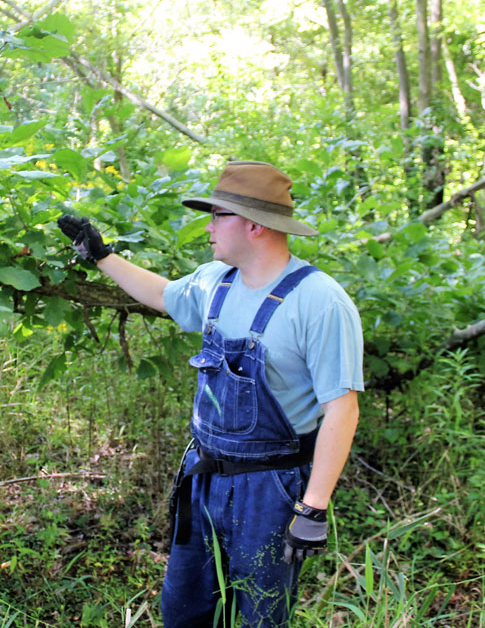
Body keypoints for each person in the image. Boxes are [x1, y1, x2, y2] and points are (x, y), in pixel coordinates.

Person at [57, 160, 363, 627]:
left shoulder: (319, 302)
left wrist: (314, 506)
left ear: (255, 225)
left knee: (260, 616)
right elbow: (162, 295)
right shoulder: (214, 282)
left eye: (219, 215)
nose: (209, 225)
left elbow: (342, 409)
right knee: (185, 610)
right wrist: (102, 255)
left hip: (271, 490)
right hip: (203, 475)